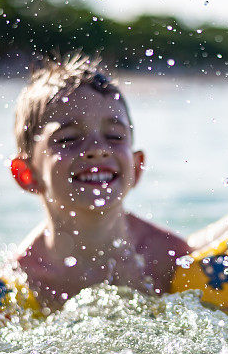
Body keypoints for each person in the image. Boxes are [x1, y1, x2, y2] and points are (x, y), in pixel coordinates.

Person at [10, 54, 190, 312]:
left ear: (137, 167)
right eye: (68, 139)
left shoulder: (170, 258)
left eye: (115, 136)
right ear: (27, 174)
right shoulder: (21, 281)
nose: (97, 149)